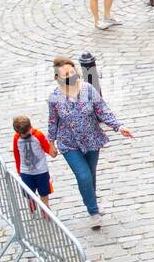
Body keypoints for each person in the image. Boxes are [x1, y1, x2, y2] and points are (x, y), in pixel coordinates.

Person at [47, 57, 133, 229]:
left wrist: (119, 126)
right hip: (69, 143)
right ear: (57, 77)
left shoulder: (88, 90)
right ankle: (93, 211)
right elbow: (52, 122)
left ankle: (91, 201)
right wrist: (51, 143)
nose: (70, 75)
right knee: (83, 175)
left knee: (90, 175)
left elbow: (102, 110)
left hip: (92, 139)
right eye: (66, 74)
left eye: (72, 72)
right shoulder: (55, 98)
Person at [11, 115, 58, 210]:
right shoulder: (16, 138)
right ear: (18, 132)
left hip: (41, 171)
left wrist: (52, 152)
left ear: (30, 127)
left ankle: (45, 209)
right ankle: (32, 207)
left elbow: (47, 148)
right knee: (29, 194)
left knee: (44, 193)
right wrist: (19, 170)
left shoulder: (38, 135)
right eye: (22, 134)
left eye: (27, 132)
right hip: (26, 172)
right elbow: (17, 154)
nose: (26, 135)